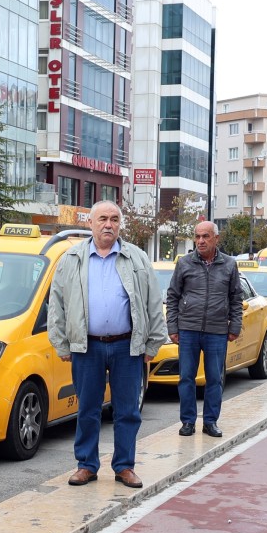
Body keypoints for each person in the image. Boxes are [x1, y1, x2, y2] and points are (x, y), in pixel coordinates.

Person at [48, 201, 166, 489]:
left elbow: (153, 302)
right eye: (102, 219)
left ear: (120, 224)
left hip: (127, 347)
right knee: (87, 408)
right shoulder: (71, 258)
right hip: (87, 348)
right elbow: (57, 304)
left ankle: (124, 466)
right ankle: (86, 465)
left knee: (127, 410)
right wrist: (61, 343)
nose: (108, 224)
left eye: (114, 219)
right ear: (91, 223)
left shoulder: (136, 258)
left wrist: (153, 343)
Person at [166, 220, 243, 438]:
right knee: (186, 378)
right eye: (197, 236)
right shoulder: (184, 263)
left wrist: (235, 325)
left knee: (215, 379)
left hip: (217, 331)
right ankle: (188, 421)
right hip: (188, 329)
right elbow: (172, 296)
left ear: (216, 239)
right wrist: (173, 326)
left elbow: (236, 298)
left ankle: (210, 421)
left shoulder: (229, 264)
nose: (200, 241)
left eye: (205, 236)